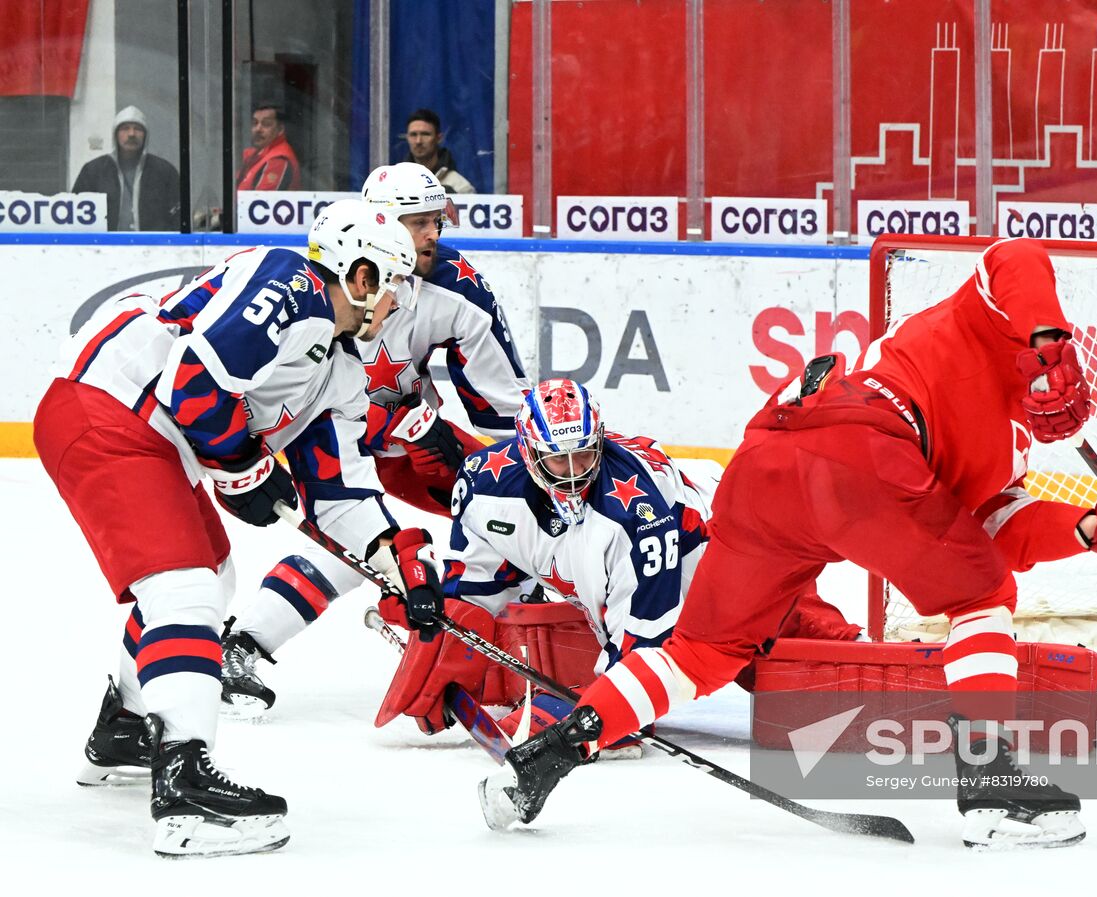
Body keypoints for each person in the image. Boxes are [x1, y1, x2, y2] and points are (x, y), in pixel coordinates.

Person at [482, 238, 1097, 850]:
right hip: (862, 449)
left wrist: (1093, 530)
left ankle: (550, 752)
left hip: (769, 461)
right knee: (983, 598)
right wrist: (1047, 340)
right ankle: (993, 789)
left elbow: (996, 532)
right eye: (1051, 387)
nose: (1049, 406)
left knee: (703, 650)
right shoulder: (984, 318)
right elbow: (1016, 256)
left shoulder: (1007, 453)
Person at [33, 199, 433, 858]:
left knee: (214, 576)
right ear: (360, 277)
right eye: (391, 287)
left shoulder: (339, 371)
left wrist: (402, 567)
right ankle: (185, 783)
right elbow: (194, 384)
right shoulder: (286, 283)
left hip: (148, 434)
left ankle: (127, 728)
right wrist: (245, 468)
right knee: (184, 588)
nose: (395, 306)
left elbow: (340, 495)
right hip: (106, 404)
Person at [372, 378, 860, 750]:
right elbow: (484, 592)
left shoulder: (638, 513)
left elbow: (650, 644)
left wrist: (588, 714)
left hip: (720, 553)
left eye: (583, 455)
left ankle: (893, 683)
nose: (572, 474)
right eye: (556, 461)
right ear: (525, 450)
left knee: (802, 690)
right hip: (622, 585)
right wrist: (450, 631)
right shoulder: (483, 486)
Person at [218, 163, 530, 717]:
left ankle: (530, 629)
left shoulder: (456, 289)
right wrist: (397, 425)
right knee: (349, 545)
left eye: (437, 219)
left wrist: (519, 459)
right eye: (416, 222)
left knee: (517, 503)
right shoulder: (328, 287)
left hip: (413, 441)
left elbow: (504, 406)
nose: (432, 233)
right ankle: (243, 644)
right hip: (333, 429)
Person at [71, 105, 180, 231]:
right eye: (125, 128)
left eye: (138, 129)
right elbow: (75, 216)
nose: (131, 134)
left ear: (146, 135)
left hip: (154, 247)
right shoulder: (93, 171)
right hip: (104, 247)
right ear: (115, 134)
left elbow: (178, 218)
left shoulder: (164, 172)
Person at [402, 108, 475, 194]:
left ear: (439, 138)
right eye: (413, 135)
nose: (418, 141)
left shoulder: (459, 187)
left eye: (425, 134)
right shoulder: (395, 182)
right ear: (407, 138)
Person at [236, 104, 301, 191]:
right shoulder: (253, 155)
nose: (258, 129)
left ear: (280, 129)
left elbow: (260, 201)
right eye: (254, 123)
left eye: (266, 124)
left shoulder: (278, 159)